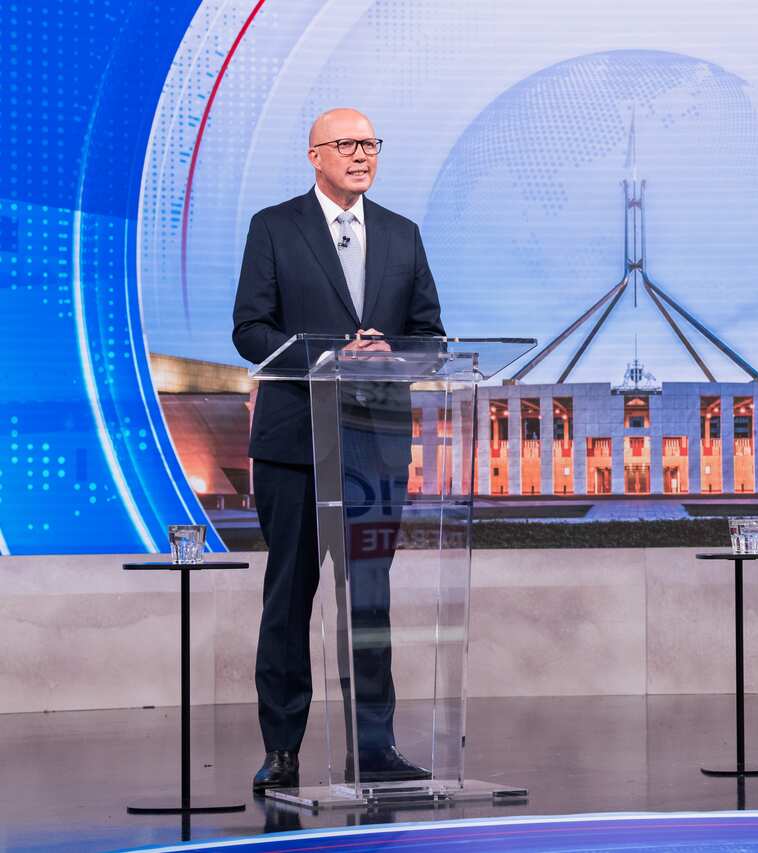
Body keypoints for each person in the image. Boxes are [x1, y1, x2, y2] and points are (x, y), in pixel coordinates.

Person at [232, 108, 445, 792]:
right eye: (347, 144)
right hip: (296, 443)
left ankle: (375, 748)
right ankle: (284, 749)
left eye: (370, 144)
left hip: (374, 447)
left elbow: (432, 339)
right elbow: (249, 329)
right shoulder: (274, 227)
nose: (362, 155)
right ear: (315, 156)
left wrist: (395, 353)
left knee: (370, 602)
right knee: (289, 596)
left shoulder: (403, 236)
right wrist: (326, 356)